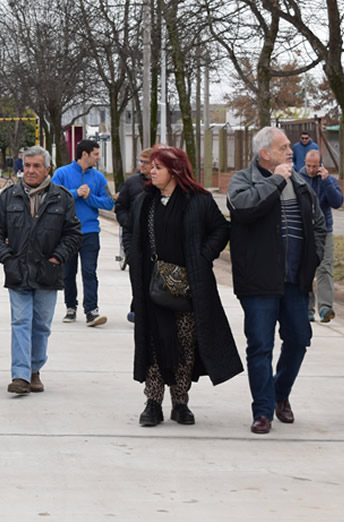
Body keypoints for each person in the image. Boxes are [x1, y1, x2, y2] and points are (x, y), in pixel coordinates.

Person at [129, 146, 242, 426]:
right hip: (152, 285)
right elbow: (132, 234)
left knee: (185, 345)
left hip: (189, 288)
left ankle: (181, 403)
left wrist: (202, 258)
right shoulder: (146, 201)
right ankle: (152, 401)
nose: (151, 171)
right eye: (151, 166)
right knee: (153, 344)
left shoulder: (199, 201)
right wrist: (134, 258)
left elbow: (221, 229)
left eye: (158, 167)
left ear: (175, 170)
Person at [228, 126, 326, 434]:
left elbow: (319, 224)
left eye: (289, 147)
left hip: (294, 281)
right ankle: (263, 411)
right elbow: (244, 208)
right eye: (283, 147)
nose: (290, 151)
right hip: (259, 281)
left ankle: (280, 394)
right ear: (265, 153)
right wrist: (276, 180)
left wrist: (313, 258)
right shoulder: (243, 180)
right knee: (260, 345)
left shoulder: (300, 183)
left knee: (299, 339)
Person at [0, 146, 81, 396]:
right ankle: (19, 375)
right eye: (27, 165)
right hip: (17, 270)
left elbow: (73, 234)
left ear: (47, 169)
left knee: (41, 325)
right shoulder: (9, 196)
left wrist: (57, 258)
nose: (30, 170)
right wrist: (6, 258)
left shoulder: (62, 198)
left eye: (36, 166)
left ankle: (34, 370)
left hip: (47, 272)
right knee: (20, 321)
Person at [52, 139, 114, 327]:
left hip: (90, 232)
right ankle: (71, 307)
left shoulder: (99, 178)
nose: (99, 157)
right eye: (96, 153)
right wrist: (76, 193)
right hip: (67, 232)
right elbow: (53, 197)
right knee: (68, 272)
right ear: (84, 154)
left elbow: (109, 203)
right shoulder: (62, 173)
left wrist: (90, 197)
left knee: (89, 271)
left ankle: (92, 310)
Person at [302, 149, 342, 322]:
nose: (311, 169)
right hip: (304, 231)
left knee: (325, 268)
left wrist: (326, 181)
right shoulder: (298, 178)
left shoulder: (328, 180)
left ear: (321, 165)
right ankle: (307, 308)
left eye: (315, 166)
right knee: (306, 269)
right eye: (308, 166)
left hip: (324, 230)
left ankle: (325, 307)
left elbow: (337, 202)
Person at [114, 148, 153, 323]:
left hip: (154, 239)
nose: (142, 165)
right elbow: (120, 206)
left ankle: (141, 309)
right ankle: (137, 309)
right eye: (141, 161)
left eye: (146, 162)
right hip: (133, 237)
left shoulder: (164, 184)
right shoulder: (131, 183)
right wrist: (127, 222)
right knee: (137, 274)